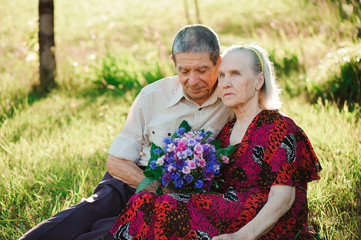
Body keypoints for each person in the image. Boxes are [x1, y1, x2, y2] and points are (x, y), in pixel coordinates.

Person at [20, 24, 234, 240]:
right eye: (184, 71)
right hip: (131, 177)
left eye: (202, 70)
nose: (193, 80)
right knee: (86, 212)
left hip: (183, 193)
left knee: (114, 231)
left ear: (219, 61)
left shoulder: (231, 99)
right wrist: (156, 188)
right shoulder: (152, 95)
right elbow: (116, 162)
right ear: (173, 64)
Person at [109, 44, 322, 240]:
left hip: (264, 222)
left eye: (236, 74)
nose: (226, 82)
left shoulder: (278, 127)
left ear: (259, 80)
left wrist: (241, 236)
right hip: (228, 211)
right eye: (221, 75)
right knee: (143, 202)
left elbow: (283, 197)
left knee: (168, 209)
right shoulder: (227, 129)